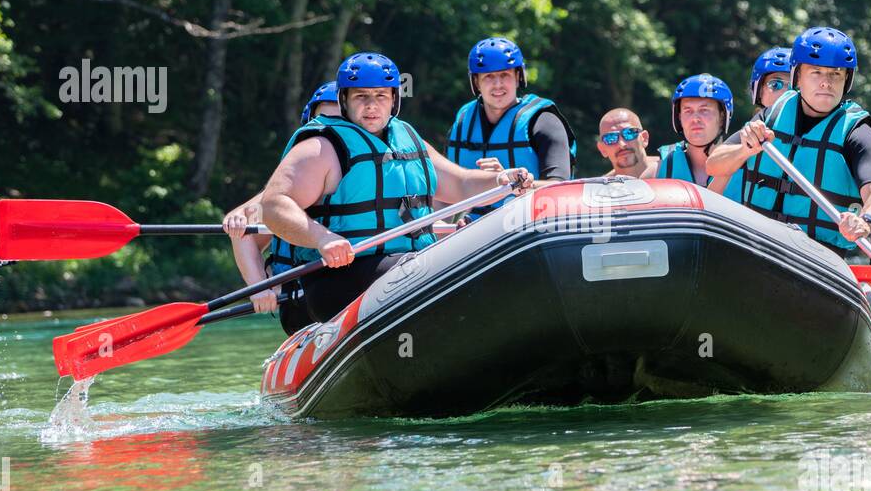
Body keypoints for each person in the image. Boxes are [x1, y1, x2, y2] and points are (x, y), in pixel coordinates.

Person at [261, 52, 533, 325]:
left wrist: (500, 181)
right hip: (340, 277)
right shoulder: (321, 148)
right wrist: (323, 238)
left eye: (380, 96)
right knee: (421, 272)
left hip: (407, 263)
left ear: (394, 100)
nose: (371, 106)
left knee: (459, 265)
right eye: (361, 96)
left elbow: (461, 183)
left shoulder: (408, 139)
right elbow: (274, 205)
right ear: (344, 100)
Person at [707, 26, 871, 256]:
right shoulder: (772, 115)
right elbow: (713, 165)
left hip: (818, 254)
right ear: (797, 76)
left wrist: (866, 221)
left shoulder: (858, 133)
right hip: (759, 242)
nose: (826, 82)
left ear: (846, 80)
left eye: (836, 74)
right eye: (816, 72)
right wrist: (744, 149)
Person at [222, 80, 343, 335]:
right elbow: (244, 231)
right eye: (324, 118)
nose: (330, 128)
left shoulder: (374, 174)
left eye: (340, 120)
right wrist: (259, 289)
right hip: (303, 304)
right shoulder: (291, 187)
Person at [445, 37, 575, 220]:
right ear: (476, 82)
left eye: (504, 75)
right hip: (472, 233)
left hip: (531, 230)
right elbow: (442, 191)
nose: (498, 84)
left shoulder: (545, 122)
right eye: (489, 76)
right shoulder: (462, 123)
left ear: (518, 77)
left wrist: (509, 181)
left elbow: (560, 190)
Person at [654, 74, 744, 200]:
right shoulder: (658, 170)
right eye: (688, 111)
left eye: (704, 110)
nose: (695, 119)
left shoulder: (748, 168)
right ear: (679, 117)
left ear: (722, 116)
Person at [596, 109, 658, 178]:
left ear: (644, 138)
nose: (622, 144)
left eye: (629, 133)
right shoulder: (600, 187)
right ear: (602, 149)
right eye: (611, 138)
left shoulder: (670, 169)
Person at [749, 46, 792, 115]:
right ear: (759, 91)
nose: (785, 92)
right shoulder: (752, 125)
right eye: (775, 85)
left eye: (794, 86)